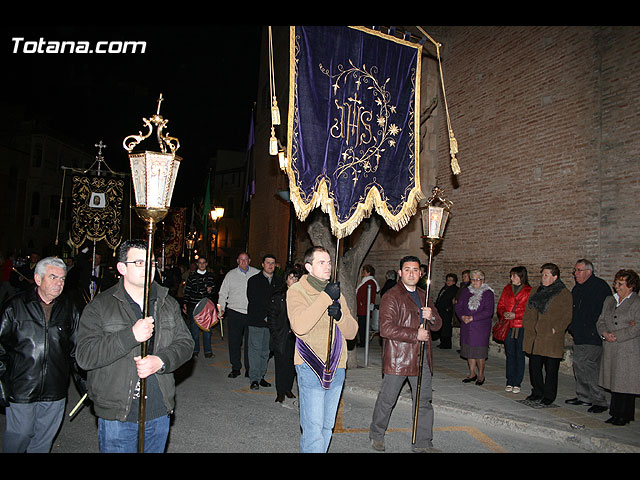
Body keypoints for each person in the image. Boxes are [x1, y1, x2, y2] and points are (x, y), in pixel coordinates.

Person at [76, 239, 194, 453]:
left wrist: (161, 361)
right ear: (122, 268)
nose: (147, 268)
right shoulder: (100, 306)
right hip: (118, 412)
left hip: (159, 410)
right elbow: (85, 355)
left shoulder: (168, 303)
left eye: (151, 262)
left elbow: (186, 344)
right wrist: (130, 336)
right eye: (139, 263)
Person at [0, 256, 87, 453]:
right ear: (38, 279)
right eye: (53, 277)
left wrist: (86, 383)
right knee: (19, 435)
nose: (59, 283)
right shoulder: (15, 306)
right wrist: (2, 383)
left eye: (63, 279)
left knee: (42, 442)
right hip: (21, 387)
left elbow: (76, 350)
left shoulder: (69, 309)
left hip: (55, 389)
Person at [287, 246, 358, 453]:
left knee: (327, 427)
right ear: (308, 267)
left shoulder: (336, 292)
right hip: (310, 366)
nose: (327, 267)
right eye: (321, 262)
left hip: (336, 365)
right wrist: (326, 298)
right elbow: (299, 326)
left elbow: (352, 332)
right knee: (313, 428)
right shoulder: (297, 291)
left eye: (329, 262)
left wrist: (340, 317)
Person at [369, 255, 442, 453]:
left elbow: (438, 325)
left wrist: (432, 316)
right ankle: (377, 434)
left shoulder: (424, 295)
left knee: (424, 401)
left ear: (421, 273)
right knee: (387, 399)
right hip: (398, 358)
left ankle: (423, 442)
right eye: (407, 269)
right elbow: (385, 329)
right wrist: (414, 334)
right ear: (400, 273)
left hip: (422, 358)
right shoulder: (392, 296)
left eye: (416, 270)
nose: (412, 273)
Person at [522, 263, 572, 406]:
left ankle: (549, 395)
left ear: (555, 277)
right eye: (542, 275)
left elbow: (567, 315)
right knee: (534, 366)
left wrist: (557, 329)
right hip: (535, 336)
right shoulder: (536, 291)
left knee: (551, 369)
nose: (543, 278)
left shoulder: (563, 293)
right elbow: (528, 309)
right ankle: (537, 391)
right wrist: (528, 324)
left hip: (551, 337)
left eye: (546, 275)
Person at [565, 259, 612, 413]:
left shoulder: (599, 287)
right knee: (579, 365)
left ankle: (599, 400)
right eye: (575, 271)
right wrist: (572, 327)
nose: (575, 274)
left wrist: (591, 329)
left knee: (591, 367)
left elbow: (602, 313)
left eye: (578, 270)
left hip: (593, 335)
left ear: (588, 272)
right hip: (579, 334)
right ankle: (583, 396)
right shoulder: (577, 288)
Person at [597, 269, 640, 426]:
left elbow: (637, 326)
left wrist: (618, 335)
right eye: (616, 283)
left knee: (626, 382)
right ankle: (615, 413)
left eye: (621, 284)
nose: (616, 286)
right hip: (611, 347)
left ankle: (625, 415)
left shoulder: (636, 302)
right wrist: (604, 333)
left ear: (631, 286)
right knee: (615, 381)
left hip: (627, 348)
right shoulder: (609, 300)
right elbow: (601, 320)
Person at [218, 252, 259, 378]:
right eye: (241, 259)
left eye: (245, 259)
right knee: (234, 342)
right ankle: (235, 367)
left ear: (249, 260)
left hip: (251, 313)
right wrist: (221, 309)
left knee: (250, 343)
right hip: (235, 312)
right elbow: (223, 293)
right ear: (237, 261)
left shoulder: (257, 273)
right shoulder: (230, 275)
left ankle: (249, 368)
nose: (243, 262)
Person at [247, 254, 283, 390]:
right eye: (268, 263)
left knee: (266, 351)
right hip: (257, 320)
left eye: (273, 263)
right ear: (262, 264)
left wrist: (274, 318)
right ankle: (254, 378)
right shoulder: (254, 280)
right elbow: (254, 300)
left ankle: (261, 376)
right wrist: (265, 315)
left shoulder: (279, 281)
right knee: (255, 350)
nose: (270, 265)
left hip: (272, 323)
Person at [267, 267, 301, 402]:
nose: (294, 280)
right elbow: (272, 317)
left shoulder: (301, 296)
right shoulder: (279, 296)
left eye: (296, 278)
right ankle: (280, 392)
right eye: (291, 277)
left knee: (292, 365)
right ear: (286, 279)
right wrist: (275, 333)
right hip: (281, 335)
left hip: (296, 336)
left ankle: (288, 389)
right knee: (281, 364)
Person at [496, 266, 532, 394]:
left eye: (514, 276)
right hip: (509, 327)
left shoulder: (529, 291)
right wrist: (504, 313)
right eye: (511, 276)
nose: (512, 278)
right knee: (510, 355)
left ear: (521, 277)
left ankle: (517, 382)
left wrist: (516, 315)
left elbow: (530, 310)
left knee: (519, 355)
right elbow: (500, 305)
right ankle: (509, 381)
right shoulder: (507, 289)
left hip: (521, 327)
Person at [455, 270, 494, 385]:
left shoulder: (488, 293)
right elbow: (459, 305)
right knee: (469, 351)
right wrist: (462, 316)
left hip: (480, 327)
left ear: (483, 280)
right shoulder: (466, 291)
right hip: (467, 326)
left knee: (479, 352)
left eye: (477, 279)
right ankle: (472, 373)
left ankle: (481, 375)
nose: (475, 282)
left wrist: (473, 317)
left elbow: (488, 311)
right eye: (473, 279)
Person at [183, 256, 217, 358]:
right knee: (194, 330)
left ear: (206, 264)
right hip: (194, 306)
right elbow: (187, 291)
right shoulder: (192, 276)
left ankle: (208, 351)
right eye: (200, 263)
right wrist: (185, 303)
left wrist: (211, 290)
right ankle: (195, 350)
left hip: (206, 307)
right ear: (197, 264)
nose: (202, 265)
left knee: (207, 330)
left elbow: (215, 291)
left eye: (204, 263)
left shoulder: (210, 276)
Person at [355, 264, 379, 347]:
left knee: (363, 326)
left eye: (364, 272)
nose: (363, 274)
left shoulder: (370, 282)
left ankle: (363, 342)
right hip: (363, 307)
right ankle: (362, 341)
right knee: (362, 326)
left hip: (364, 308)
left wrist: (362, 302)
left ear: (369, 273)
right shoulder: (366, 281)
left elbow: (366, 295)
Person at [435, 273, 459, 349]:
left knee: (446, 328)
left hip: (447, 311)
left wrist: (449, 308)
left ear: (454, 282)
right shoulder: (445, 288)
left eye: (451, 280)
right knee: (442, 327)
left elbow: (454, 301)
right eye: (448, 280)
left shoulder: (454, 289)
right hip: (441, 310)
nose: (449, 282)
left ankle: (446, 344)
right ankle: (442, 342)